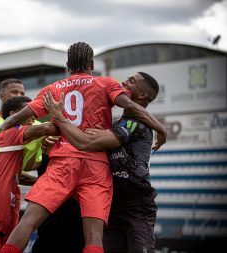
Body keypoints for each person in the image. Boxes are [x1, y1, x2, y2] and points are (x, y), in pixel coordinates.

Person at [0, 42, 166, 253]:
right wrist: (161, 129)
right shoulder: (106, 83)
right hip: (95, 166)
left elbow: (27, 112)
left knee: (28, 222)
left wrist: (6, 123)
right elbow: (131, 106)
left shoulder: (53, 89)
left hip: (62, 162)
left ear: (68, 65)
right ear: (92, 63)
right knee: (94, 238)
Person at [43, 71, 160, 253]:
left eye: (131, 81)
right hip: (112, 205)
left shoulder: (136, 123)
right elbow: (85, 139)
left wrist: (59, 117)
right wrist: (57, 141)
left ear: (143, 94)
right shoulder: (116, 125)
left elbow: (85, 142)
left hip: (136, 206)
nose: (124, 82)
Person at [0, 96, 59, 253]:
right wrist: (65, 117)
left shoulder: (16, 147)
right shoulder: (10, 132)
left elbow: (26, 170)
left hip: (1, 218)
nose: (34, 115)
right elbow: (46, 128)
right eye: (28, 111)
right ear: (14, 115)